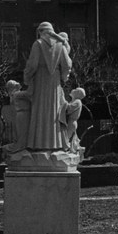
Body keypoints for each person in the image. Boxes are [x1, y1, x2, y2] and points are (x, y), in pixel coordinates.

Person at [22, 22, 73, 151]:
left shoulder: (38, 44)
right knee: (54, 110)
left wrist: (27, 78)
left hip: (40, 79)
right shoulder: (60, 45)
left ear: (41, 32)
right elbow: (67, 63)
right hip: (54, 81)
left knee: (40, 109)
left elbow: (32, 65)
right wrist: (64, 76)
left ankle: (38, 144)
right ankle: (55, 144)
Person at [2, 80, 32, 153]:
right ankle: (20, 147)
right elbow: (30, 93)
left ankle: (21, 146)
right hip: (23, 115)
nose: (19, 86)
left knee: (21, 134)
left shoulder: (13, 95)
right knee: (23, 134)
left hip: (20, 115)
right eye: (16, 85)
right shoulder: (17, 94)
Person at [61, 88, 86, 152]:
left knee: (67, 138)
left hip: (71, 122)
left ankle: (65, 150)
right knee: (72, 138)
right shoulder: (75, 101)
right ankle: (73, 149)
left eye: (76, 90)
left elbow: (69, 109)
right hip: (71, 122)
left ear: (78, 94)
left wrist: (63, 100)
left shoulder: (77, 101)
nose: (73, 90)